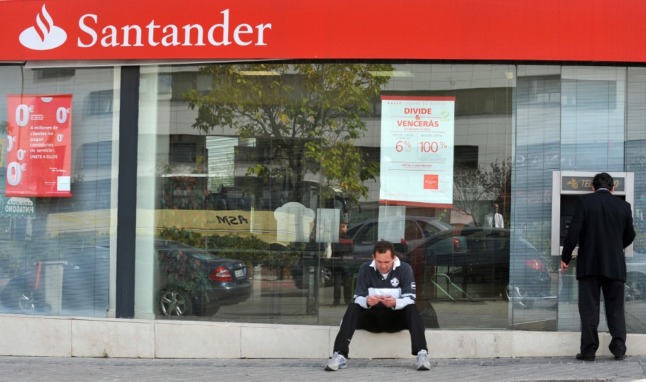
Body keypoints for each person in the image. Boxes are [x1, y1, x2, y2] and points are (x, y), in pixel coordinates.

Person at [561, 172, 636, 362]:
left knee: (589, 309)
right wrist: (615, 247)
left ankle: (588, 351)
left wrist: (566, 257)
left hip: (589, 265)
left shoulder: (584, 202)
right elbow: (630, 235)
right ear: (613, 188)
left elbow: (573, 233)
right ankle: (618, 349)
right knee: (616, 309)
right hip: (615, 265)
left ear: (593, 187)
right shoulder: (624, 206)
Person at [325, 240, 431, 371]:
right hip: (372, 319)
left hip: (395, 319)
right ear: (373, 258)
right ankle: (339, 355)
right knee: (353, 307)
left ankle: (422, 354)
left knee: (412, 308)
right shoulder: (365, 268)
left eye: (387, 262)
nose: (383, 266)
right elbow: (358, 298)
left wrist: (395, 302)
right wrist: (367, 301)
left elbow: (410, 298)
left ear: (394, 257)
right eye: (379, 262)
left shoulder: (404, 269)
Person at [331, 221, 353, 306]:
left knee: (337, 282)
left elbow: (332, 249)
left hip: (336, 261)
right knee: (347, 282)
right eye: (345, 227)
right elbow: (351, 250)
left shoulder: (334, 238)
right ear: (341, 228)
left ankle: (336, 301)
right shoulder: (348, 238)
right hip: (345, 262)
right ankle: (347, 300)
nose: (346, 228)